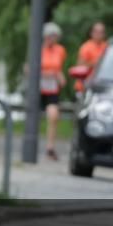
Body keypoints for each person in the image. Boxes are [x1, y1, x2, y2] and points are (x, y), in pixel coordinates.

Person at [39, 22, 66, 160]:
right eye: (51, 36)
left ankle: (50, 147)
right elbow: (28, 69)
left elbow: (58, 67)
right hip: (38, 86)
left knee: (53, 115)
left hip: (52, 88)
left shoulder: (60, 50)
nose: (53, 39)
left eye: (55, 37)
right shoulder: (37, 49)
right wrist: (44, 73)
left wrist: (60, 76)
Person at [75, 21, 107, 99]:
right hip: (85, 86)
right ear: (91, 33)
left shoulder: (107, 47)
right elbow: (80, 67)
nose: (98, 34)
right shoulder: (86, 47)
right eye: (96, 31)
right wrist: (95, 63)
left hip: (102, 86)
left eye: (101, 32)